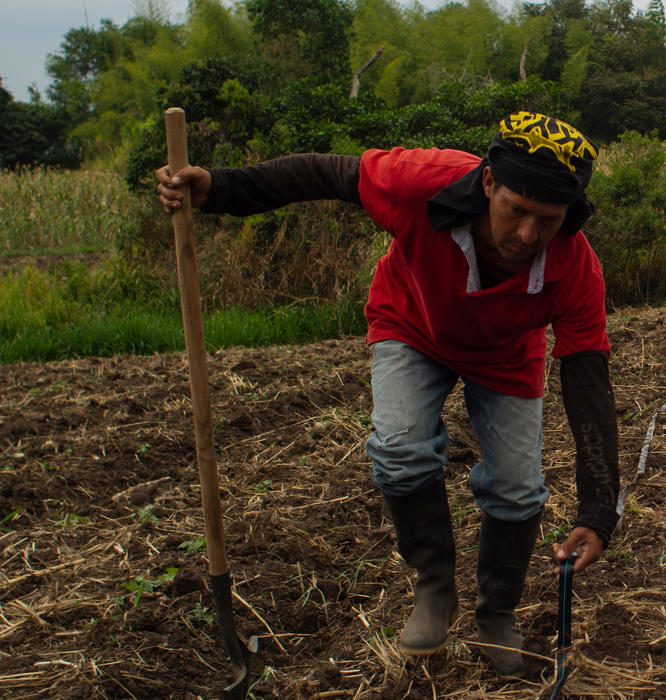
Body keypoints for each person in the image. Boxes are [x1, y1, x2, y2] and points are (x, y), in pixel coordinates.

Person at [155, 112, 620, 676]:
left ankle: (497, 613)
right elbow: (320, 174)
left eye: (546, 221)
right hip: (412, 323)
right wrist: (223, 189)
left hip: (505, 354)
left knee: (517, 487)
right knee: (399, 448)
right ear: (489, 183)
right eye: (515, 211)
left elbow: (587, 381)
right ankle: (434, 585)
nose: (526, 235)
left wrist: (598, 510)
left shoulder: (575, 266)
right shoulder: (420, 183)